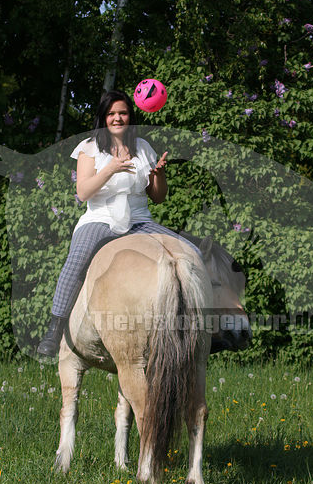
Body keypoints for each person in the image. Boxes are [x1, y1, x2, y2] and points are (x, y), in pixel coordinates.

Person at [37, 89, 198, 357]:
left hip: (139, 221)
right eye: (111, 113)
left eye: (122, 113)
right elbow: (83, 193)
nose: (117, 118)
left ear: (130, 115)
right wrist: (110, 168)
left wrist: (159, 176)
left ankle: (200, 331)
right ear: (104, 117)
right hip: (101, 218)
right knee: (77, 260)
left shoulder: (143, 147)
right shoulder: (89, 148)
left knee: (189, 252)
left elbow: (157, 197)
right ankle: (54, 330)